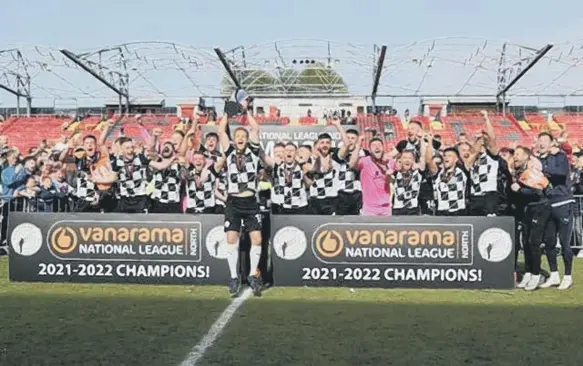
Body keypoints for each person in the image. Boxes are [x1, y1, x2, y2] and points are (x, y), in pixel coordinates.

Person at [218, 109, 263, 297]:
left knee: (257, 239)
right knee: (231, 240)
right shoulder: (228, 152)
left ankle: (253, 275)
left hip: (251, 201)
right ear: (234, 139)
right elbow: (221, 131)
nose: (240, 138)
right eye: (237, 135)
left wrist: (246, 111)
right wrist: (228, 113)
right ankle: (233, 277)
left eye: (243, 135)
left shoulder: (253, 151)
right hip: (233, 201)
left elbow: (256, 128)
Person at [537, 132, 575, 290]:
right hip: (547, 204)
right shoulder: (539, 159)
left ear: (552, 143)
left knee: (565, 242)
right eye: (540, 140)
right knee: (549, 241)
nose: (542, 143)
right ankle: (554, 274)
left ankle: (567, 275)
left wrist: (542, 169)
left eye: (545, 140)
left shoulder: (560, 156)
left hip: (563, 202)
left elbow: (561, 173)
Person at [510, 146, 549, 290]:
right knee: (525, 241)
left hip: (539, 208)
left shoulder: (532, 171)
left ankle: (536, 274)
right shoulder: (518, 172)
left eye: (518, 154)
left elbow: (538, 192)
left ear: (527, 157)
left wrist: (520, 189)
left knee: (534, 241)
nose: (515, 157)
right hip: (527, 210)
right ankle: (528, 272)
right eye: (514, 154)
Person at [355, 137, 396, 216]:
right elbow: (353, 164)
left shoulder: (390, 162)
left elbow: (391, 181)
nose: (377, 147)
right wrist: (358, 144)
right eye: (374, 145)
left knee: (387, 228)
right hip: (369, 208)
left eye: (379, 145)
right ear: (369, 150)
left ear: (383, 148)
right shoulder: (364, 161)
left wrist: (388, 174)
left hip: (386, 207)